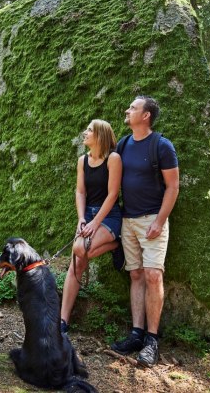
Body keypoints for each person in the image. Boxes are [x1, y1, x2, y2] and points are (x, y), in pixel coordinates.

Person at [110, 95, 179, 367]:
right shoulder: (124, 145)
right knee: (136, 274)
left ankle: (152, 341)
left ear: (146, 115)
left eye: (133, 108)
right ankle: (136, 334)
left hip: (153, 220)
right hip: (128, 221)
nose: (127, 110)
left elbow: (173, 186)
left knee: (152, 275)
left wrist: (160, 221)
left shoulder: (162, 146)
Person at [60, 119, 123, 334]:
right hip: (88, 214)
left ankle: (117, 244)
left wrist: (96, 223)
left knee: (80, 249)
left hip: (109, 215)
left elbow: (113, 194)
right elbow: (80, 192)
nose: (85, 133)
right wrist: (81, 219)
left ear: (100, 136)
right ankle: (63, 321)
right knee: (77, 262)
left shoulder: (113, 159)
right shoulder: (82, 161)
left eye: (89, 130)